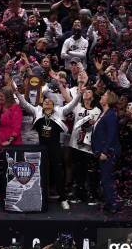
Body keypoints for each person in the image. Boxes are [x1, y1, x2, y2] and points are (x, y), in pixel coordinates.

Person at [13, 80, 84, 209]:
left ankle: (63, 198)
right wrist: (17, 93)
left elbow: (73, 105)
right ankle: (41, 197)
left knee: (58, 172)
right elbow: (24, 104)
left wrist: (79, 94)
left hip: (55, 147)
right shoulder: (37, 111)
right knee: (41, 172)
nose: (47, 102)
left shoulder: (60, 112)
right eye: (45, 101)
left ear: (53, 104)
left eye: (49, 101)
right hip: (42, 148)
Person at [91, 90, 120, 214]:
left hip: (107, 153)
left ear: (109, 100)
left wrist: (105, 151)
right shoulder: (104, 114)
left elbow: (111, 135)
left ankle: (113, 204)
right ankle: (109, 203)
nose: (101, 97)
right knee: (104, 178)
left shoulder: (111, 114)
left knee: (107, 178)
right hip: (100, 151)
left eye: (104, 96)